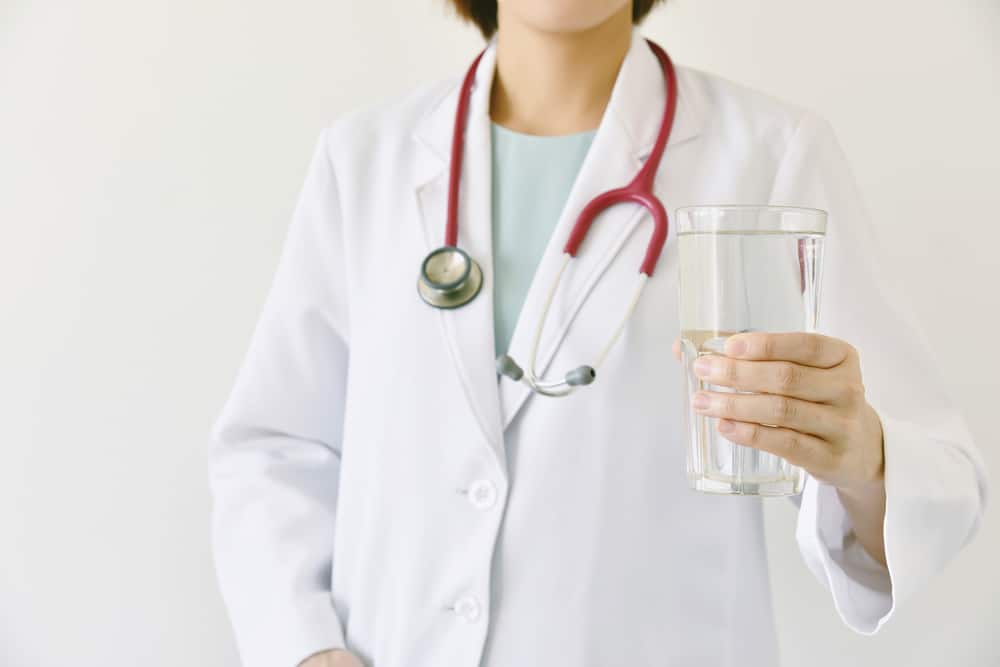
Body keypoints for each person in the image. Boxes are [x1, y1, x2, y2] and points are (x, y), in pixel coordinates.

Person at [207, 2, 989, 666]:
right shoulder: (364, 161)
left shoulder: (768, 157)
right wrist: (305, 649)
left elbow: (939, 484)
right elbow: (272, 450)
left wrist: (865, 459)